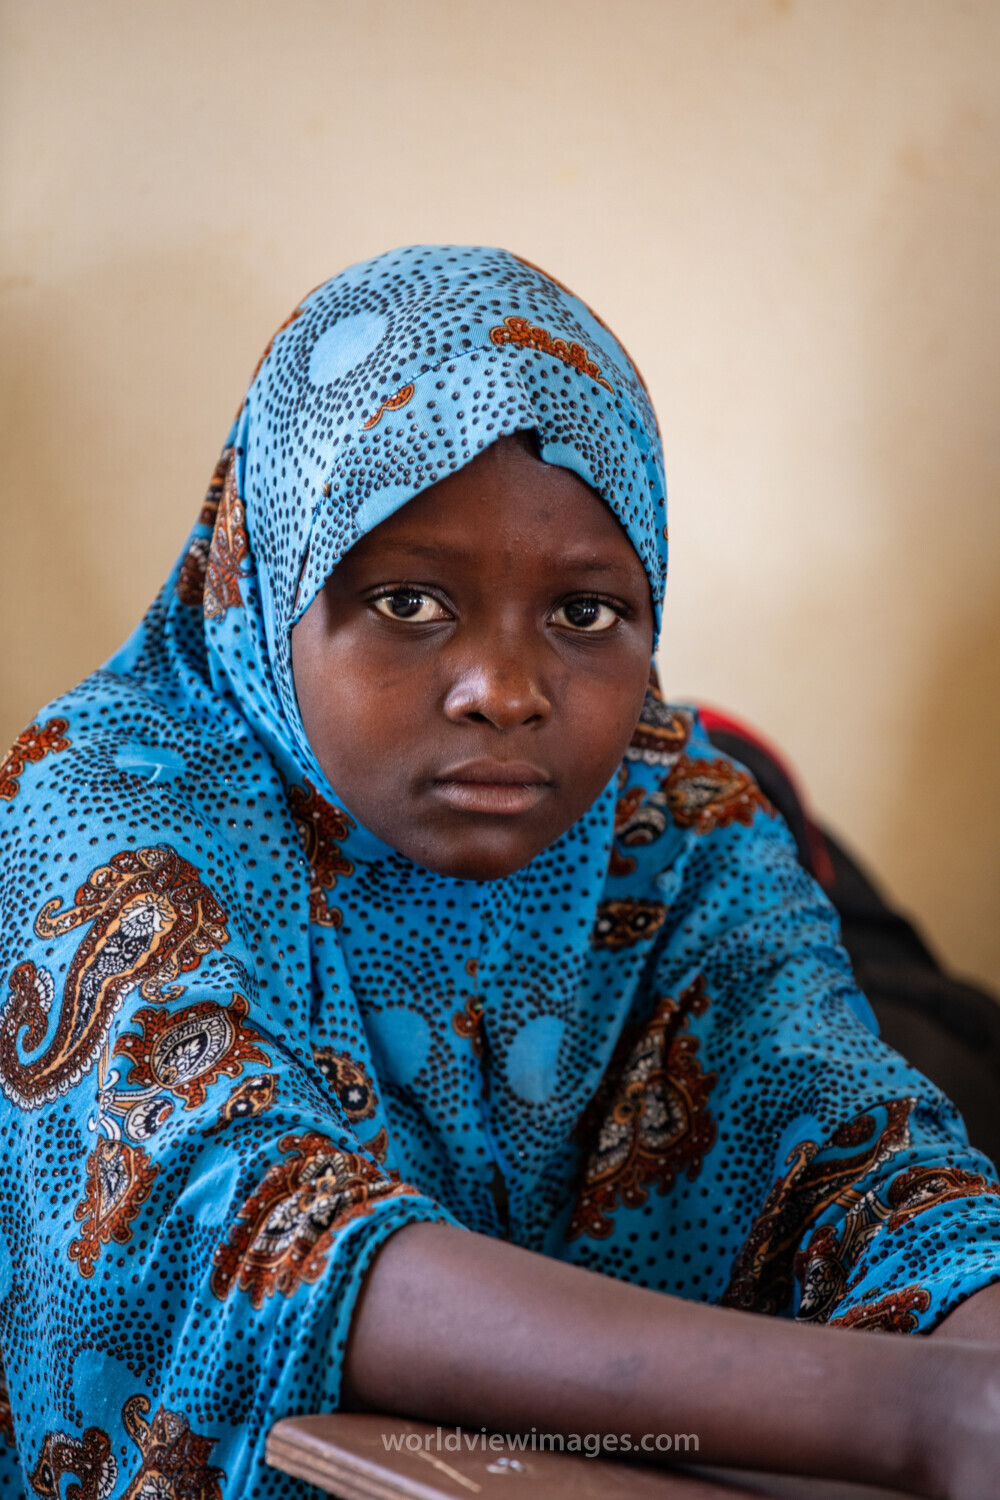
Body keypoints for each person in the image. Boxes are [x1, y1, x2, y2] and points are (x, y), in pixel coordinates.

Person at [0, 246, 998, 1500]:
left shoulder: (675, 822)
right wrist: (917, 1415)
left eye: (584, 615)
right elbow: (251, 1233)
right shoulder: (106, 814)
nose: (505, 691)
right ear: (268, 586)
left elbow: (856, 1150)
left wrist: (980, 1354)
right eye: (409, 602)